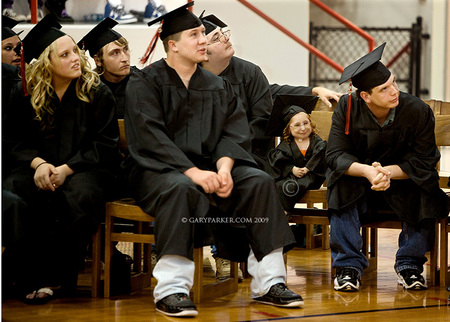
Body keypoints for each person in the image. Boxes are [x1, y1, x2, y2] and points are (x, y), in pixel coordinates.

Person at [125, 2, 303, 317]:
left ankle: (269, 282)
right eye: (194, 34)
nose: (203, 39)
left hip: (211, 167)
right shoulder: (146, 81)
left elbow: (232, 133)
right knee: (182, 188)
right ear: (173, 45)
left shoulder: (216, 85)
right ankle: (172, 289)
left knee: (260, 182)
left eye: (203, 33)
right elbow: (151, 137)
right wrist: (194, 172)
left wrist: (224, 168)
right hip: (158, 171)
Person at [199, 12, 341, 278]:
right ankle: (221, 251)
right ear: (202, 50)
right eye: (218, 37)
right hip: (208, 155)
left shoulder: (249, 72)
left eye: (225, 33)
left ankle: (245, 255)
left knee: (251, 181)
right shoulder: (192, 76)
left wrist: (232, 148)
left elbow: (263, 117)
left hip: (252, 153)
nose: (228, 39)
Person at [3, 14, 121, 304]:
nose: (75, 59)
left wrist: (66, 169)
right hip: (36, 167)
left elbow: (105, 144)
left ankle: (55, 276)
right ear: (46, 63)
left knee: (78, 196)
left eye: (76, 52)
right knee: (16, 195)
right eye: (65, 54)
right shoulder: (24, 92)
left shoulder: (96, 92)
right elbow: (13, 141)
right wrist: (39, 164)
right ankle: (27, 275)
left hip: (87, 168)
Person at [326, 43, 449, 292]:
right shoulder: (347, 108)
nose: (394, 91)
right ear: (365, 96)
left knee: (425, 184)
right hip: (362, 182)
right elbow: (335, 155)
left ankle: (410, 264)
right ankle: (349, 266)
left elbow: (424, 160)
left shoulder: (417, 110)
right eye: (384, 89)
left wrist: (387, 172)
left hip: (402, 182)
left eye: (394, 83)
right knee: (340, 182)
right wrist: (369, 172)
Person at [266, 94, 326, 212]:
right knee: (279, 186)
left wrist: (308, 168)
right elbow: (280, 161)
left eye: (306, 123)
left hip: (312, 175)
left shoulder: (316, 141)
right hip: (292, 176)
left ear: (311, 123)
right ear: (288, 129)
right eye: (297, 125)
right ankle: (281, 213)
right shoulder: (286, 144)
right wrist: (292, 169)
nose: (303, 128)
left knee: (291, 186)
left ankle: (285, 210)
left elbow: (320, 155)